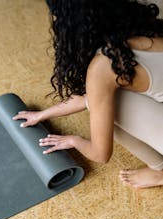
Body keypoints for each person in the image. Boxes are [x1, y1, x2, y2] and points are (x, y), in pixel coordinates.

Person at [13, 0, 163, 189]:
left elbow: (101, 154)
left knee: (103, 106)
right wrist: (42, 115)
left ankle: (160, 172)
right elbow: (90, 96)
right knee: (102, 98)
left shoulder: (105, 64)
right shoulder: (139, 28)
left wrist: (73, 140)